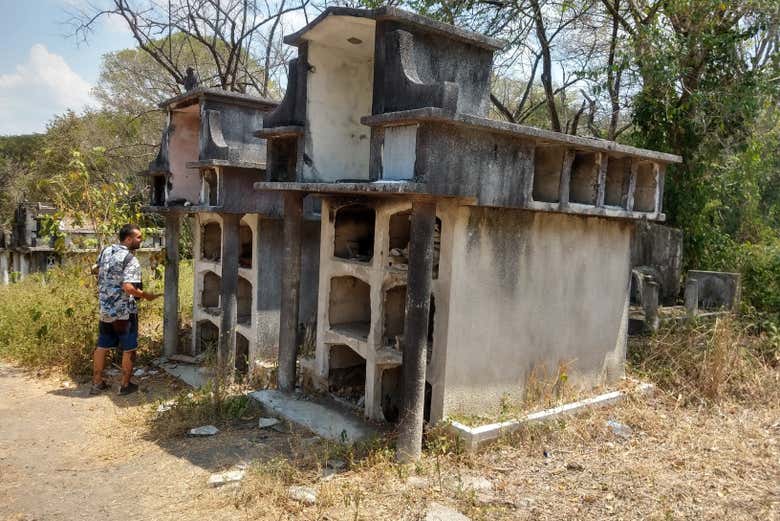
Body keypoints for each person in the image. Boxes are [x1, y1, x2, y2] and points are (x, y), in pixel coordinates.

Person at [90, 224, 160, 395]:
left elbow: (94, 269)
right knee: (129, 348)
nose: (140, 241)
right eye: (138, 238)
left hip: (106, 309)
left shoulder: (106, 251)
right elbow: (128, 287)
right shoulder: (130, 259)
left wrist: (108, 282)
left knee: (102, 346)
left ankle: (97, 383)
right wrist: (146, 295)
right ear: (128, 239)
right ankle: (125, 385)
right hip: (124, 313)